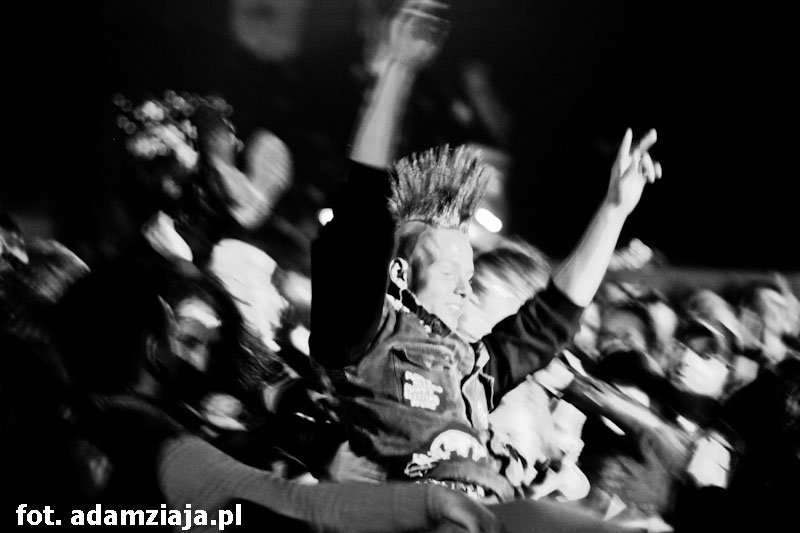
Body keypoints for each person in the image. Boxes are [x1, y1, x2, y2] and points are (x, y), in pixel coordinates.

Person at [311, 0, 662, 510]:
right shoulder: (365, 338)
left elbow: (551, 318)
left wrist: (613, 210)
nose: (464, 287)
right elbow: (362, 207)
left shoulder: (475, 368)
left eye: (469, 274)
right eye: (448, 271)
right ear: (400, 273)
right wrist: (398, 69)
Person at [49, 253, 500, 533]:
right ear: (154, 348)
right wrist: (432, 502)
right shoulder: (167, 451)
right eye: (182, 334)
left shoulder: (75, 425)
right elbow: (297, 506)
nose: (203, 350)